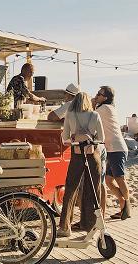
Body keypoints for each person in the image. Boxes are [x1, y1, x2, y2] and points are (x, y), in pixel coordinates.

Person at [57, 92, 104, 237]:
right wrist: (91, 138)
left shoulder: (70, 115)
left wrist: (73, 138)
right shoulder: (95, 115)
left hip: (77, 155)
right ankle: (91, 225)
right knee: (94, 188)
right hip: (92, 154)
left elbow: (64, 138)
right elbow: (102, 138)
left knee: (70, 189)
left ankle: (65, 227)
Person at [94, 86, 130, 220]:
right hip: (112, 149)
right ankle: (123, 203)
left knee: (120, 178)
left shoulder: (104, 109)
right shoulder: (107, 108)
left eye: (99, 94)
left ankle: (127, 206)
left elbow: (90, 116)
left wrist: (92, 103)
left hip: (116, 148)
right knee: (109, 181)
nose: (96, 95)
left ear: (106, 97)